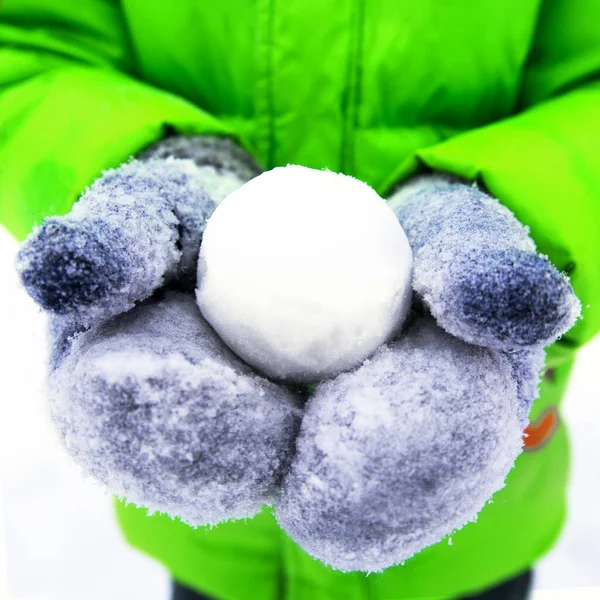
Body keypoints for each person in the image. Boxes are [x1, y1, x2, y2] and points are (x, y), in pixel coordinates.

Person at [1, 1, 599, 599]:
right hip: (222, 559)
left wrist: (508, 206)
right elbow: (23, 42)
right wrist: (172, 163)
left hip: (459, 528)